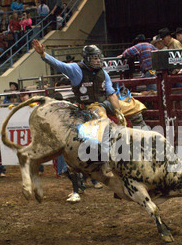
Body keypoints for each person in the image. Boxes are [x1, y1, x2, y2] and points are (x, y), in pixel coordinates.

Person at [32, 39, 127, 179]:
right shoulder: (76, 69)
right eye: (94, 58)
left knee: (135, 107)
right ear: (87, 59)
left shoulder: (102, 73)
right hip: (88, 106)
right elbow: (59, 65)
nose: (97, 61)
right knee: (102, 122)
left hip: (103, 103)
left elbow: (111, 94)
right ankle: (104, 162)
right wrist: (44, 55)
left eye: (98, 58)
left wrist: (119, 112)